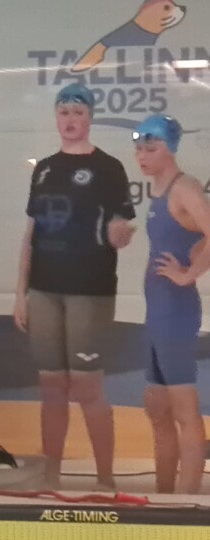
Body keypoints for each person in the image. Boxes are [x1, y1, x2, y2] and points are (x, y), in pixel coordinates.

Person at [12, 83, 136, 489]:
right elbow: (31, 233)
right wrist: (20, 293)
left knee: (87, 386)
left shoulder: (108, 168)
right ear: (56, 117)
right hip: (44, 290)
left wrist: (119, 234)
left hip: (89, 290)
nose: (70, 119)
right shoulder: (45, 168)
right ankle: (51, 476)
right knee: (51, 386)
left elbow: (120, 225)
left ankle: (105, 478)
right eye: (63, 112)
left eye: (78, 112)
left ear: (90, 118)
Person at [134, 114, 209, 494]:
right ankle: (163, 495)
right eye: (139, 148)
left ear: (171, 149)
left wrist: (189, 273)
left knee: (183, 409)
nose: (142, 155)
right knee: (157, 408)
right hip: (157, 312)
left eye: (151, 147)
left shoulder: (185, 189)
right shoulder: (160, 192)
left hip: (175, 313)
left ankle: (187, 500)